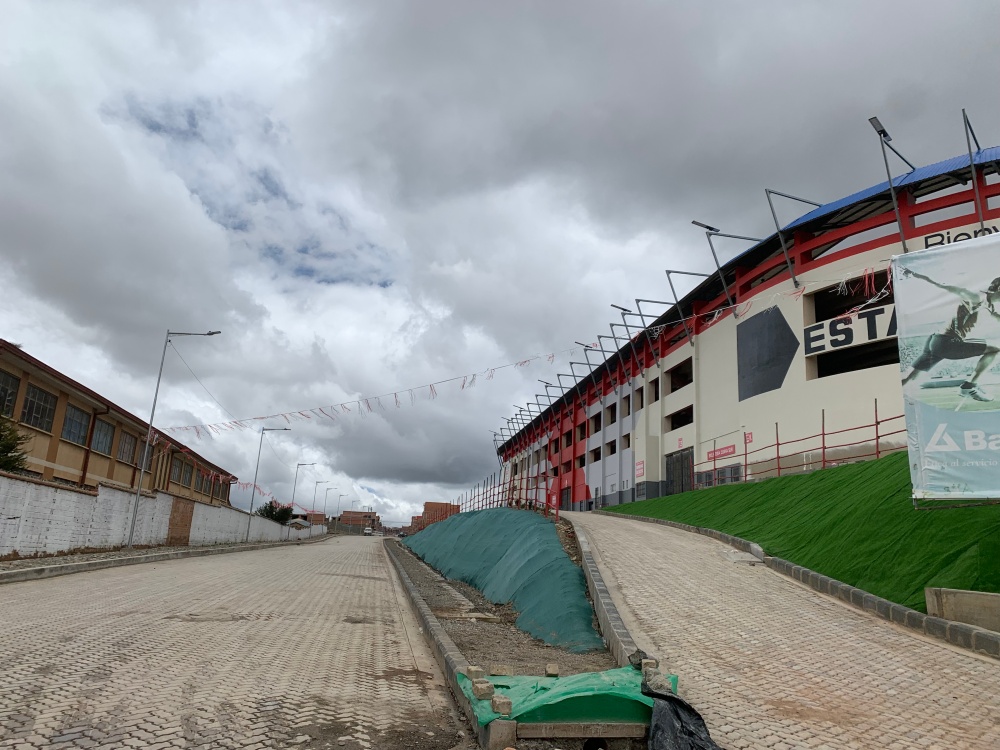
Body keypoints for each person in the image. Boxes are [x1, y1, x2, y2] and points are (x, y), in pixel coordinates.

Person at [900, 269, 1000, 401]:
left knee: (909, 377)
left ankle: (894, 395)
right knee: (996, 349)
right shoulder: (976, 297)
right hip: (948, 342)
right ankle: (970, 385)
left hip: (936, 340)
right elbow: (942, 285)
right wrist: (915, 274)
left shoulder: (990, 306)